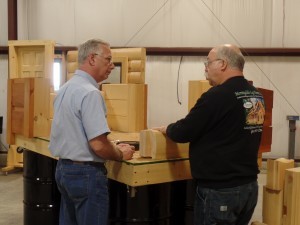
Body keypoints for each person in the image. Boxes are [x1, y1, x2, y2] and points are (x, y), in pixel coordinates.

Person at [154, 44, 265, 225]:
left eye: (208, 62)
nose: (205, 68)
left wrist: (168, 129)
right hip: (249, 188)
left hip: (220, 191)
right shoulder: (255, 95)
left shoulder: (217, 95)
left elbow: (185, 131)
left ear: (222, 64)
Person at [49, 38, 135, 225]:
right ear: (92, 59)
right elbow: (98, 144)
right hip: (86, 174)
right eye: (108, 59)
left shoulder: (65, 89)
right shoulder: (90, 93)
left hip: (64, 170)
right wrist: (120, 153)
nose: (112, 66)